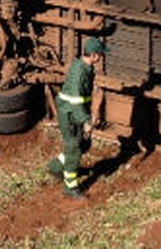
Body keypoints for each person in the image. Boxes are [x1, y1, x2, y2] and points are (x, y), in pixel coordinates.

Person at [47, 36, 107, 199]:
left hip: (76, 112)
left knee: (83, 144)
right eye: (100, 54)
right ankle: (71, 188)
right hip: (71, 115)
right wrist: (86, 121)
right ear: (94, 55)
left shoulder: (85, 67)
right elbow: (75, 101)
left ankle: (56, 166)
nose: (101, 57)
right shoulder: (80, 71)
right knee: (74, 149)